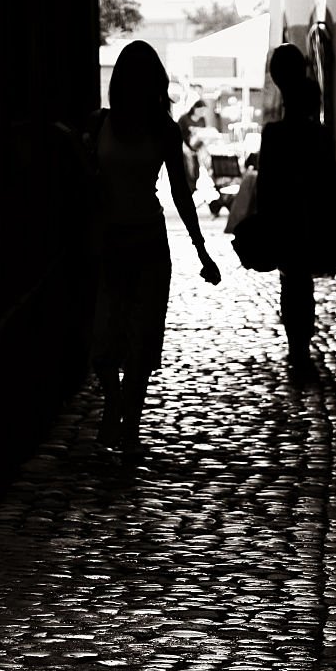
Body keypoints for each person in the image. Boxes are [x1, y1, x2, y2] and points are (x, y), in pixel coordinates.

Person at [74, 41, 221, 452]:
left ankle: (131, 427)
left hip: (149, 245)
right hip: (111, 244)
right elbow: (87, 185)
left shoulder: (164, 130)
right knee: (103, 346)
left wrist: (200, 248)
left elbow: (179, 192)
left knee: (141, 345)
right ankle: (117, 408)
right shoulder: (98, 124)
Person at [256, 44, 336, 374]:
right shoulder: (318, 134)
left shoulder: (273, 134)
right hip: (310, 215)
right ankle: (301, 345)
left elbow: (265, 183)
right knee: (302, 283)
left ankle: (296, 344)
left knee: (291, 281)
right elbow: (330, 177)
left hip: (285, 217)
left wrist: (263, 218)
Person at [176, 98, 206, 193]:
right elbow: (177, 135)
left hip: (197, 148)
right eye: (200, 110)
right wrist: (184, 148)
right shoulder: (184, 119)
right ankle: (187, 188)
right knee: (187, 168)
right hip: (184, 147)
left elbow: (203, 133)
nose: (202, 112)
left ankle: (193, 187)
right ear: (195, 109)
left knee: (196, 170)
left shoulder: (202, 120)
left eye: (203, 110)